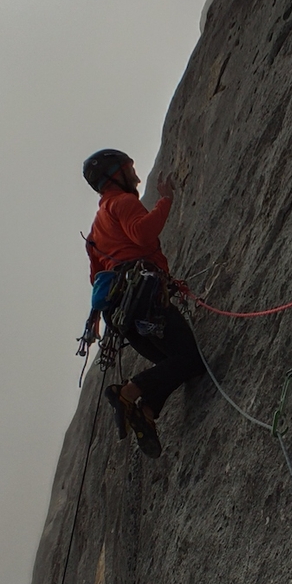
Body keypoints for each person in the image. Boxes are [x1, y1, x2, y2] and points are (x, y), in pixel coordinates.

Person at [82, 148, 204, 457]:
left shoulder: (97, 229)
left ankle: (147, 412)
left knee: (175, 363)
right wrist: (165, 202)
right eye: (130, 169)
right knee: (189, 358)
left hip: (122, 314)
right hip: (143, 297)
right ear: (115, 175)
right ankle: (127, 392)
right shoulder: (122, 202)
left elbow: (97, 277)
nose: (136, 176)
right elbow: (143, 233)